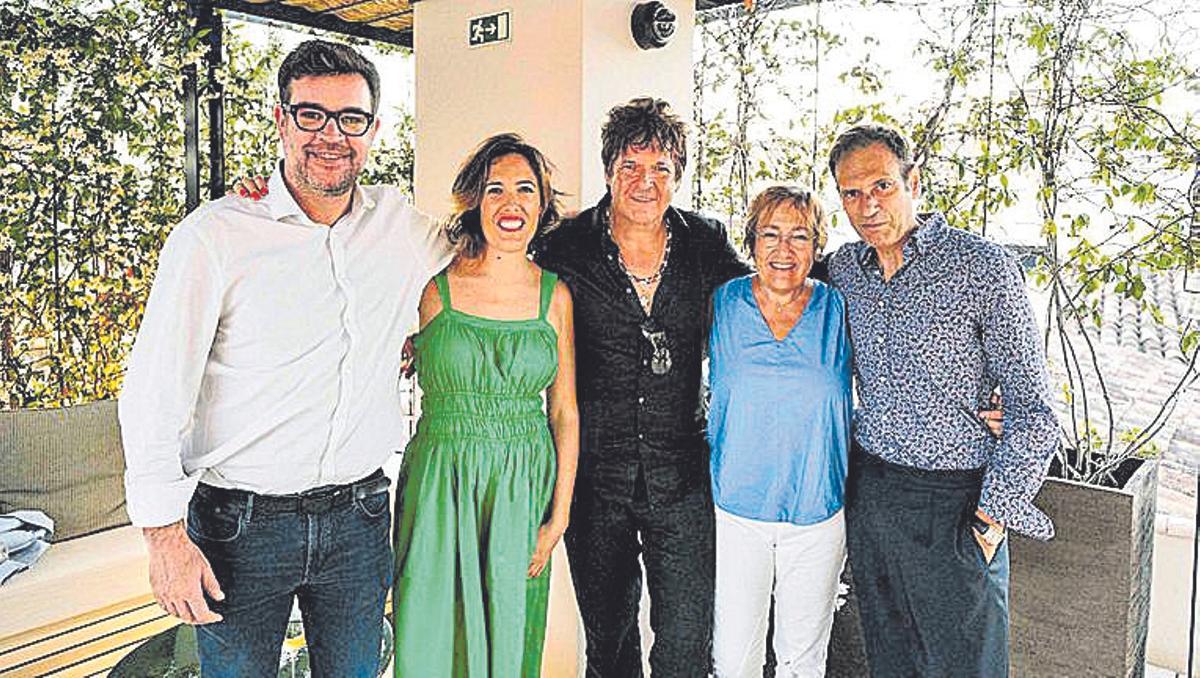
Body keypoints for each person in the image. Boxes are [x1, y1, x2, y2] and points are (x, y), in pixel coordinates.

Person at [119, 40, 451, 677]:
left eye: (350, 118)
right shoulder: (215, 237)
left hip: (359, 519)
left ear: (374, 129)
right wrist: (163, 538)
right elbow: (153, 394)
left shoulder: (399, 227)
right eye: (311, 114)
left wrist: (416, 333)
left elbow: (487, 253)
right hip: (240, 528)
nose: (332, 135)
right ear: (281, 119)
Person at [533, 97, 768, 677]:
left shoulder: (705, 242)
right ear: (608, 171)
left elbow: (764, 299)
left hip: (682, 476)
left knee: (686, 641)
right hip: (594, 478)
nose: (645, 182)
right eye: (630, 167)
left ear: (678, 174)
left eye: (660, 168)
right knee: (608, 643)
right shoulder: (566, 246)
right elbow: (505, 289)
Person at [826, 124, 1057, 677]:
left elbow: (1034, 412)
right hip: (874, 496)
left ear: (913, 182)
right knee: (890, 664)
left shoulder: (982, 268)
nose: (867, 206)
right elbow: (776, 279)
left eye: (882, 186)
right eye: (852, 193)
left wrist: (990, 519)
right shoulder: (842, 270)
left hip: (958, 501)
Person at [391, 133, 579, 677]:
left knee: (507, 638)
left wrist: (559, 517)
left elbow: (564, 411)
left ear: (542, 205)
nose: (510, 203)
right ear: (475, 200)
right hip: (439, 480)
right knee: (429, 633)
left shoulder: (555, 296)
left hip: (521, 485)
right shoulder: (430, 286)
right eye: (495, 189)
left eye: (525, 190)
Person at [707, 186, 850, 678]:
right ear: (751, 242)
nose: (784, 250)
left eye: (799, 236)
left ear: (817, 246)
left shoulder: (839, 309)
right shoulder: (722, 304)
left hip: (817, 512)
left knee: (802, 662)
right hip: (735, 511)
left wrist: (979, 400)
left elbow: (899, 370)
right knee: (733, 661)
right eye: (770, 234)